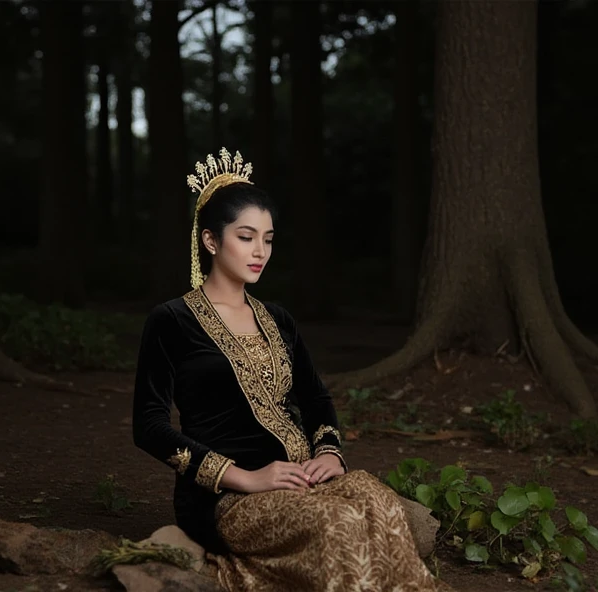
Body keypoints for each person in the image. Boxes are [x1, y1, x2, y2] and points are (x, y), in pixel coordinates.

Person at [132, 148, 447, 591]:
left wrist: (329, 454)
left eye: (269, 238)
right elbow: (148, 426)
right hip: (227, 497)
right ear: (210, 241)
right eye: (246, 237)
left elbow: (316, 398)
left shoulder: (277, 318)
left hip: (304, 477)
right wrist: (245, 477)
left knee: (379, 501)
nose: (260, 251)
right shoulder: (172, 320)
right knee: (338, 522)